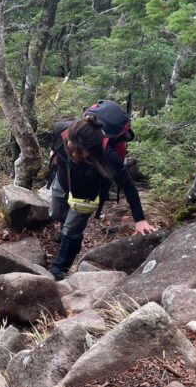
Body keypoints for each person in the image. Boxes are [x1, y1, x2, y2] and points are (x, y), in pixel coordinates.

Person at [47, 113, 157, 280]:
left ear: (92, 150)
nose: (71, 149)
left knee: (71, 231)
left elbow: (128, 185)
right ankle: (67, 234)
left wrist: (139, 219)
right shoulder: (61, 129)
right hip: (62, 181)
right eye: (69, 144)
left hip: (86, 194)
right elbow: (54, 147)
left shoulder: (107, 155)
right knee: (56, 214)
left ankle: (59, 270)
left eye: (78, 151)